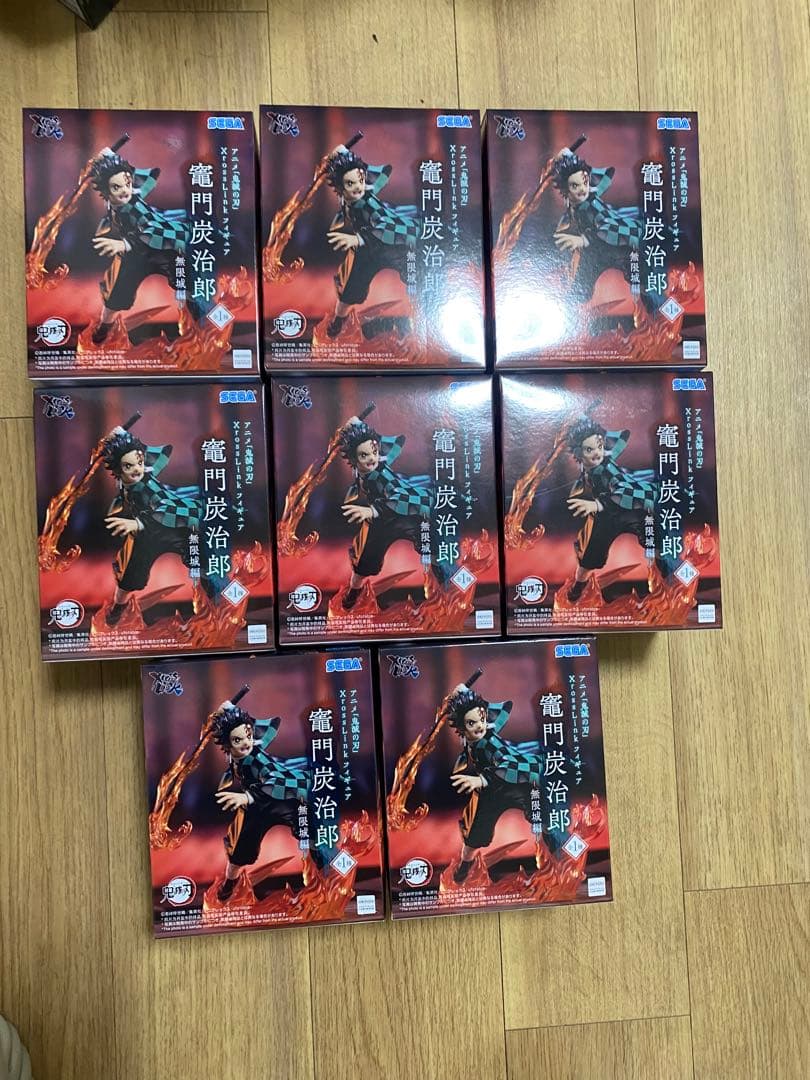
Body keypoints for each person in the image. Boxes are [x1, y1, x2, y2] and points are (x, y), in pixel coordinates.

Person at [101, 426, 223, 626]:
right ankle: (116, 612)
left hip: (174, 526)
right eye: (128, 466)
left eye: (140, 463)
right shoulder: (125, 484)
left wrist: (138, 523)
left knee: (203, 563)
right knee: (129, 576)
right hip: (147, 536)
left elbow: (163, 508)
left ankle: (216, 609)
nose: (137, 469)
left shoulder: (148, 484)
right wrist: (119, 438)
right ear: (118, 470)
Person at [446, 683, 564, 884]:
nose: (480, 726)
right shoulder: (469, 739)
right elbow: (473, 708)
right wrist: (462, 693)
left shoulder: (491, 743)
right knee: (474, 834)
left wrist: (482, 779)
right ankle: (464, 869)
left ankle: (560, 860)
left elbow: (507, 763)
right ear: (462, 728)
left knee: (544, 820)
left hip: (517, 783)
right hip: (490, 792)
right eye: (472, 723)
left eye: (482, 720)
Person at [89, 149, 206, 344]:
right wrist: (109, 158)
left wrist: (124, 244)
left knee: (188, 287)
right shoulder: (114, 202)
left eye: (127, 184)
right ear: (106, 192)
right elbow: (132, 175)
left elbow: (150, 231)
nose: (125, 190)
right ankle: (104, 328)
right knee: (116, 291)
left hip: (164, 248)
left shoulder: (134, 205)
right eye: (116, 187)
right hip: (136, 254)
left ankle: (200, 328)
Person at [337, 416, 454, 611]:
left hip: (406, 514)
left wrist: (372, 510)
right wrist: (356, 425)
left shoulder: (383, 475)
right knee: (363, 561)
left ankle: (447, 590)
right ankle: (353, 594)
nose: (372, 458)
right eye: (364, 455)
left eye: (374, 453)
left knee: (433, 549)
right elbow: (369, 440)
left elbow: (398, 496)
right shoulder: (360, 469)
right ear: (354, 459)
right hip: (381, 522)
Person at [211, 701, 318, 903]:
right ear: (227, 744)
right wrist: (228, 709)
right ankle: (230, 883)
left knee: (311, 835)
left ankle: (323, 875)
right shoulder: (234, 754)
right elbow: (240, 723)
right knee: (239, 849)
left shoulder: (258, 759)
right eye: (238, 740)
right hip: (256, 808)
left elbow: (273, 779)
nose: (246, 743)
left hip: (281, 799)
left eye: (248, 736)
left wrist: (247, 797)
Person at [565, 419, 672, 602]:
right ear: (578, 454)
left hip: (631, 510)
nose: (596, 453)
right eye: (589, 450)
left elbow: (621, 489)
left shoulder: (608, 467)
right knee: (589, 558)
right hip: (606, 518)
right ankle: (577, 590)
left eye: (599, 447)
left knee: (656, 544)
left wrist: (597, 505)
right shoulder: (587, 470)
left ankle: (668, 582)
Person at [324, 146, 419, 340]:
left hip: (391, 245)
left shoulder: (368, 202)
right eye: (350, 183)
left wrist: (359, 239)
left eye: (360, 180)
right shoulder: (347, 199)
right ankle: (338, 321)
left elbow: (385, 225)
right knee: (349, 288)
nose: (358, 187)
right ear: (340, 187)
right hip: (366, 251)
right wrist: (341, 158)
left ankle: (422, 322)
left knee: (417, 280)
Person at [551, 148, 643, 313]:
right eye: (575, 186)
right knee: (579, 293)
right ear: (565, 190)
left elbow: (606, 226)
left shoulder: (593, 204)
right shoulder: (573, 207)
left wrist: (584, 240)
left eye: (585, 183)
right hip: (594, 252)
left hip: (618, 246)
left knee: (641, 287)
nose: (582, 189)